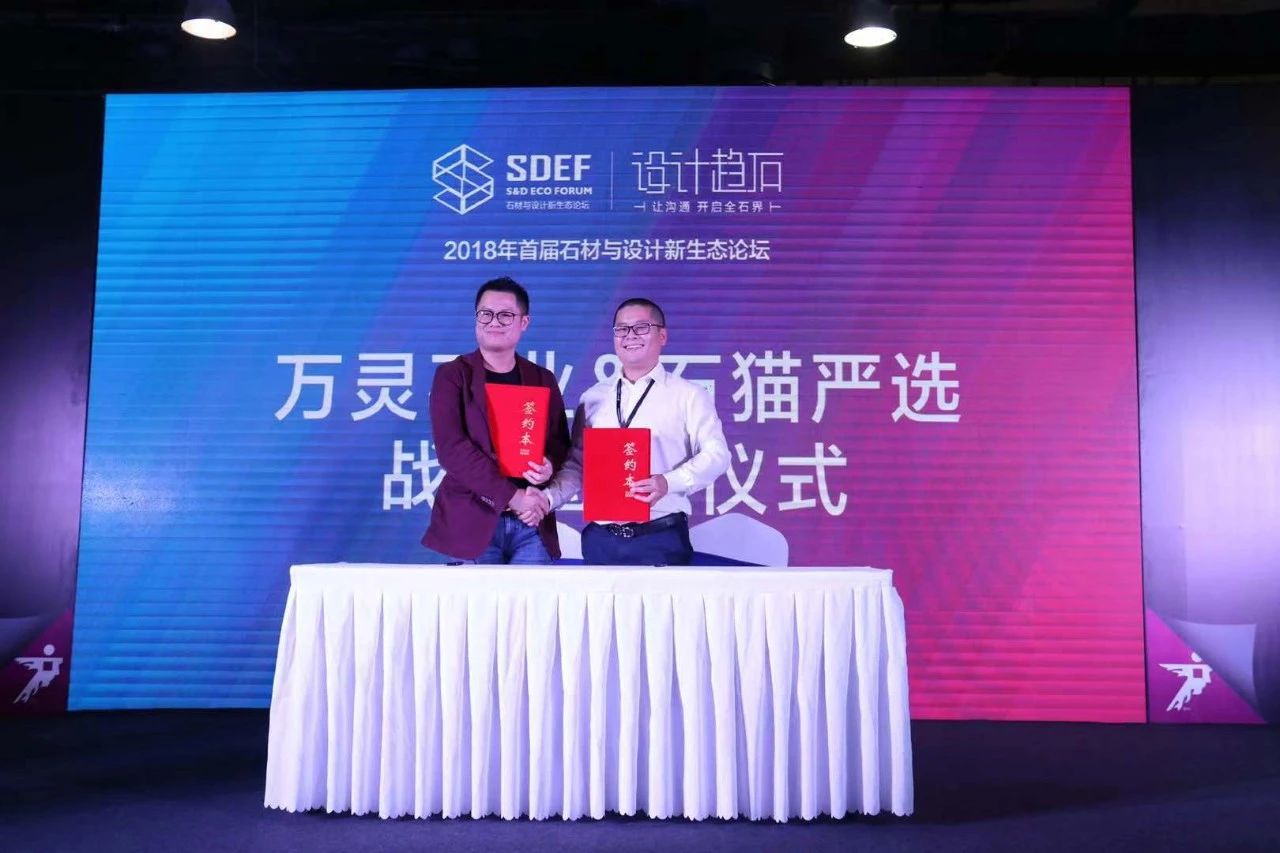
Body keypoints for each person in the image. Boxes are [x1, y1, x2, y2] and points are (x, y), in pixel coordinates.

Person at [540, 298, 729, 565]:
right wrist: (547, 498)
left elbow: (717, 455)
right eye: (621, 329)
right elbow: (578, 465)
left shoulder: (688, 395)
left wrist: (667, 482)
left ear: (662, 336)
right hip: (600, 539)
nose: (630, 335)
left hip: (660, 537)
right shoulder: (593, 397)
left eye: (641, 327)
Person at [421, 277, 571, 563]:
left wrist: (548, 465)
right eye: (486, 314)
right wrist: (513, 497)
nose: (494, 322)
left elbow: (560, 443)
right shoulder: (453, 375)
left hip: (531, 522)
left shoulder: (542, 378)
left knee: (534, 595)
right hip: (471, 520)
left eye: (505, 315)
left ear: (524, 322)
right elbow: (452, 450)